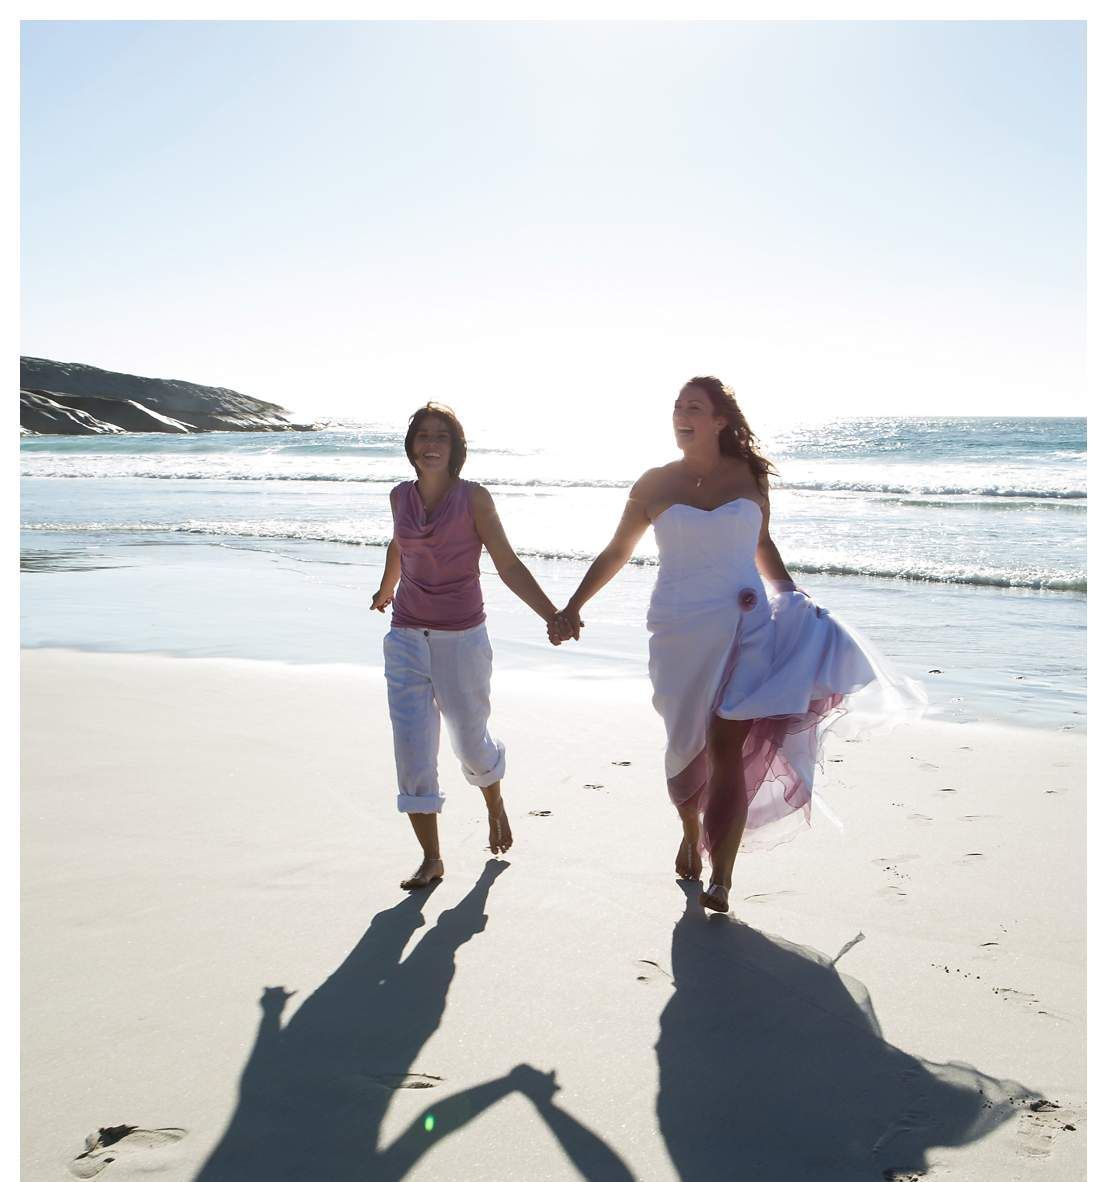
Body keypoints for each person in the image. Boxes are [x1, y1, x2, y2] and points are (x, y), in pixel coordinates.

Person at [551, 377, 923, 913]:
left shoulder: (748, 476)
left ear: (720, 420)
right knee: (685, 745)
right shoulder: (654, 483)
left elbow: (762, 543)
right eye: (677, 407)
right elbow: (617, 551)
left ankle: (721, 877)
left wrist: (791, 595)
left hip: (745, 622)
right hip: (677, 630)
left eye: (694, 407)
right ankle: (689, 832)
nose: (682, 415)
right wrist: (574, 605)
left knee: (726, 745)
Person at [372, 403, 563, 890]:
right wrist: (387, 587)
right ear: (412, 446)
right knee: (412, 751)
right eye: (423, 436)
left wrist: (552, 614)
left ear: (457, 449)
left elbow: (509, 564)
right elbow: (399, 544)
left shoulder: (474, 499)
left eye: (442, 436)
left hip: (462, 640)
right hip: (406, 638)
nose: (431, 444)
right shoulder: (399, 497)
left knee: (471, 745)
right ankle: (431, 859)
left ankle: (494, 802)